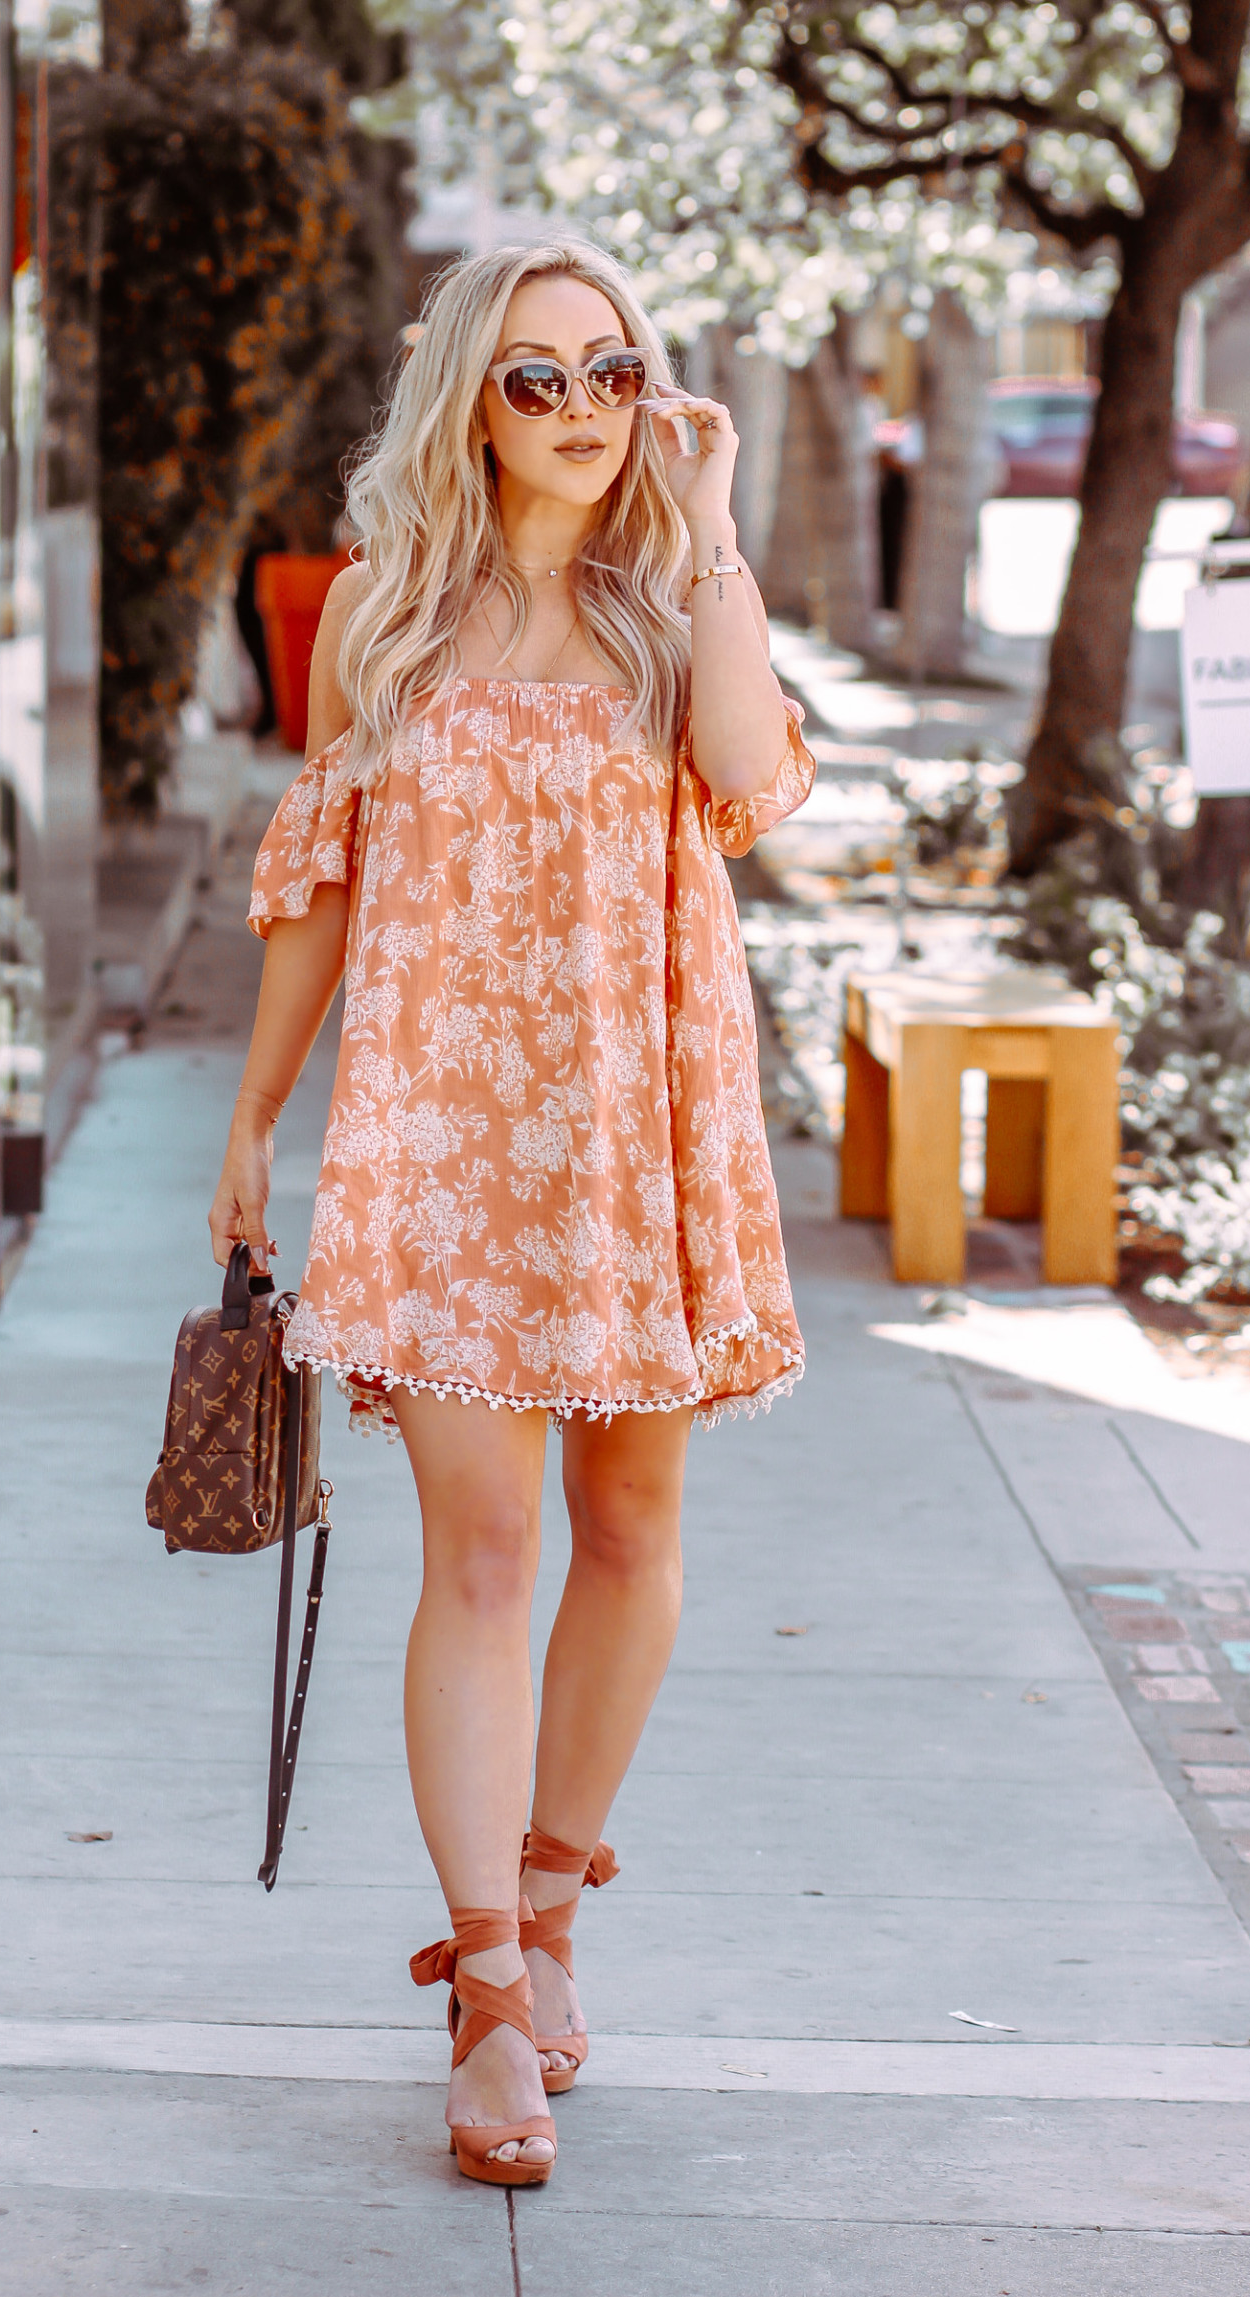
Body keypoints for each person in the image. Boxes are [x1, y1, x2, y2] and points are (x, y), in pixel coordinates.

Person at [207, 239, 813, 2187]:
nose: (576, 408)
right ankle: (483, 1994)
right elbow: (317, 879)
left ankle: (550, 1905)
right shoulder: (384, 610)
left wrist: (712, 524)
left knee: (629, 1529)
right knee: (474, 1558)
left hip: (638, 1128)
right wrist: (255, 1118)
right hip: (448, 1134)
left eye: (612, 370)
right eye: (534, 375)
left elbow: (751, 779)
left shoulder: (666, 608)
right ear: (468, 395)